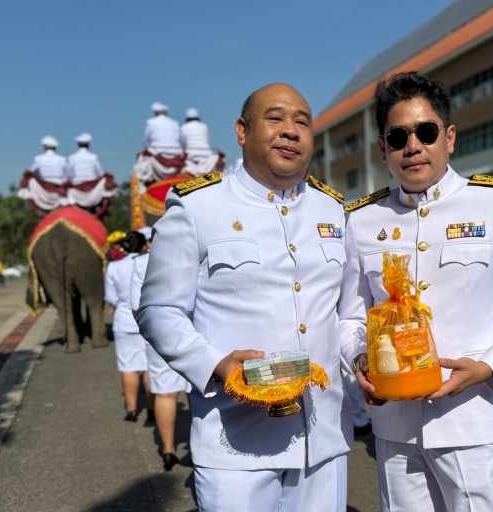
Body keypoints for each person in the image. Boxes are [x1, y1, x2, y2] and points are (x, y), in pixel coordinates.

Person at [340, 72, 493, 511]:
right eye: (398, 136)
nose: (413, 146)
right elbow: (349, 316)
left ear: (449, 137)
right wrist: (359, 359)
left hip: (470, 416)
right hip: (395, 421)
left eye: (426, 131)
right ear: (383, 148)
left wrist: (489, 368)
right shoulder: (362, 221)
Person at [136, 83, 352, 511]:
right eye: (275, 119)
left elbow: (344, 315)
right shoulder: (199, 206)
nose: (290, 131)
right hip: (235, 441)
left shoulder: (334, 210)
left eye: (302, 122)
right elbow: (158, 309)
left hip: (323, 436)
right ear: (242, 130)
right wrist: (214, 364)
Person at [130, 226, 186, 471]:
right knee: (198, 391)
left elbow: (136, 304)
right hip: (197, 330)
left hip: (161, 333)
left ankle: (168, 450)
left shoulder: (141, 263)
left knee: (165, 393)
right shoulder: (190, 252)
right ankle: (198, 446)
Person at [105, 231, 153, 422]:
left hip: (124, 321)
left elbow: (110, 297)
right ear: (144, 246)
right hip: (148, 319)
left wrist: (122, 305)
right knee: (150, 366)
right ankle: (152, 408)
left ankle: (131, 410)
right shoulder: (149, 261)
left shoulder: (114, 266)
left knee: (128, 366)